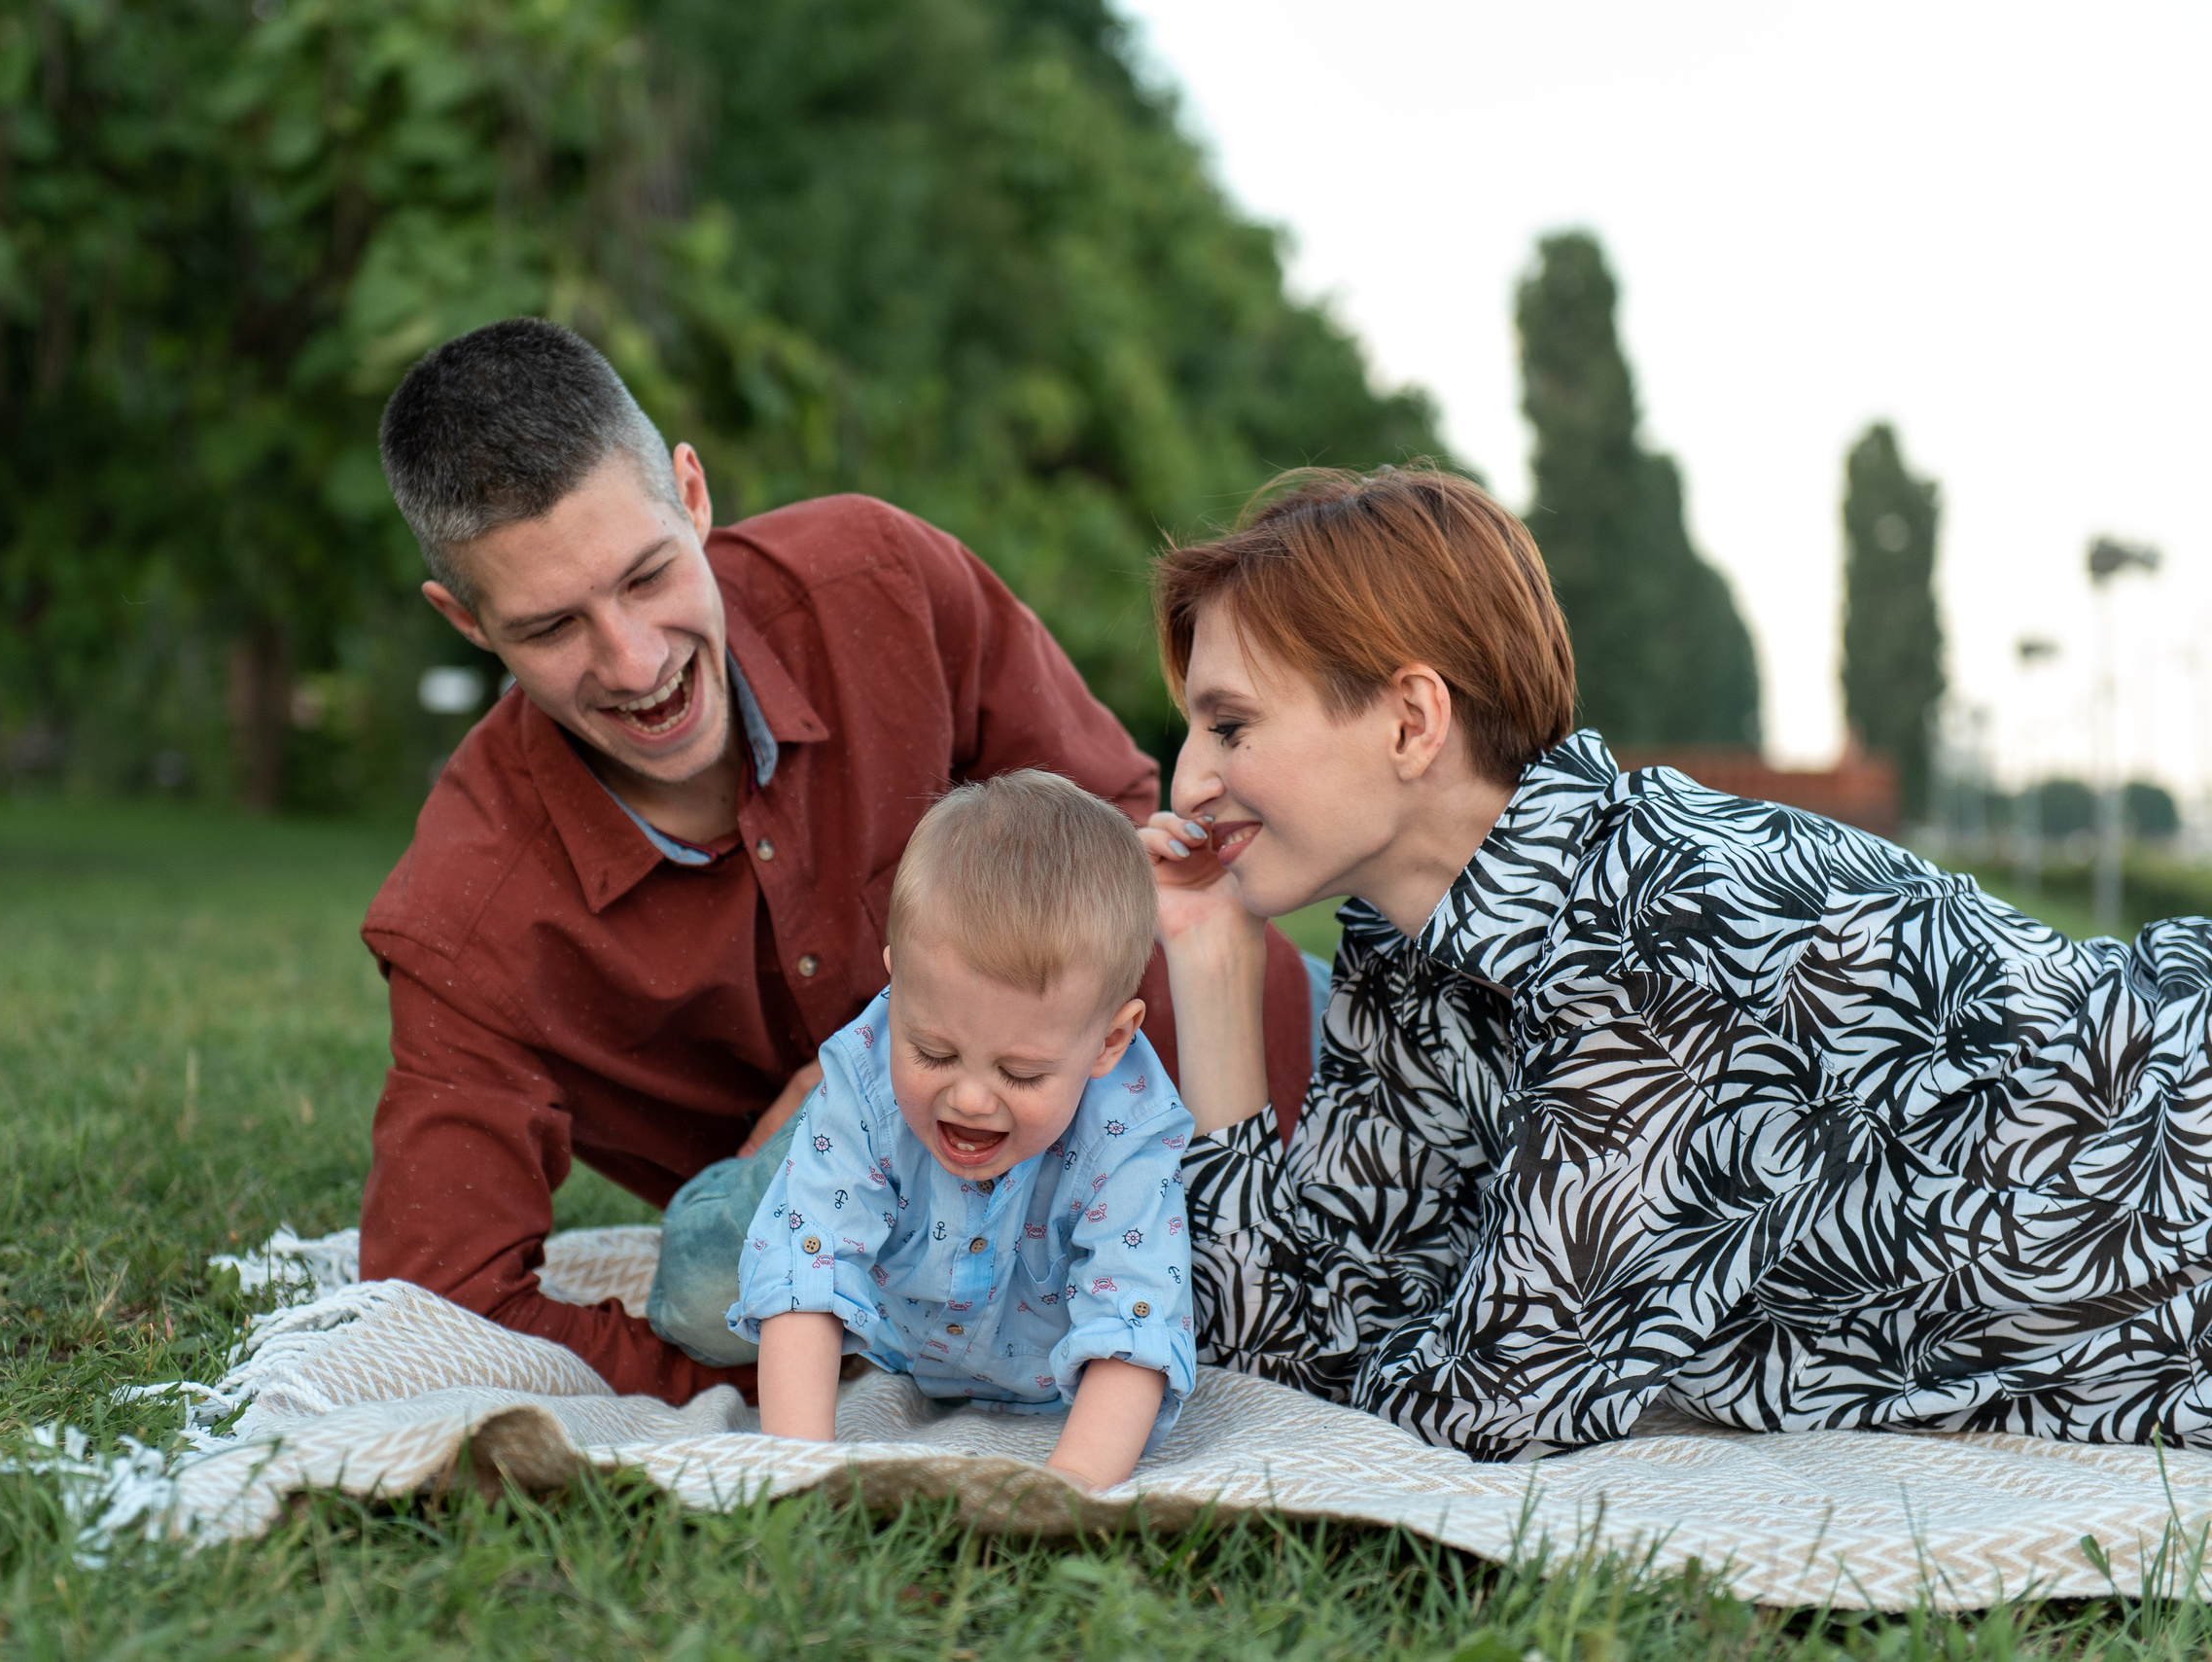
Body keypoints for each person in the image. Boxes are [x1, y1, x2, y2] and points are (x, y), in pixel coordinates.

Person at [1141, 464, 2212, 1462]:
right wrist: (1210, 963)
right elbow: (1272, 1340)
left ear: (1413, 721)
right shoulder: (1411, 948)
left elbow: (1483, 1402)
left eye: (1230, 725)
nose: (1188, 782)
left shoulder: (1656, 934)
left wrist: (1395, 1330)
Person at [357, 318, 1309, 1404]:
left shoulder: (879, 580)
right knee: (721, 1278)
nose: (634, 659)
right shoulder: (464, 918)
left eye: (648, 574)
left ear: (691, 492)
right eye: (551, 627)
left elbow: (1128, 844)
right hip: (870, 1241)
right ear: (468, 623)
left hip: (1184, 1089)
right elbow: (438, 1299)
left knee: (1446, 1088)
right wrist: (795, 1364)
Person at [730, 771, 1194, 1491]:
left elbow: (1134, 1320)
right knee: (707, 1279)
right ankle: (731, 1189)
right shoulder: (869, 1080)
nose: (971, 1097)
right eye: (934, 1052)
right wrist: (798, 1473)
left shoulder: (1130, 1133)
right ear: (896, 985)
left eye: (1022, 1072)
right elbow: (806, 1266)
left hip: (1026, 1360)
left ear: (1109, 1040)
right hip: (881, 1287)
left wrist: (1063, 1491)